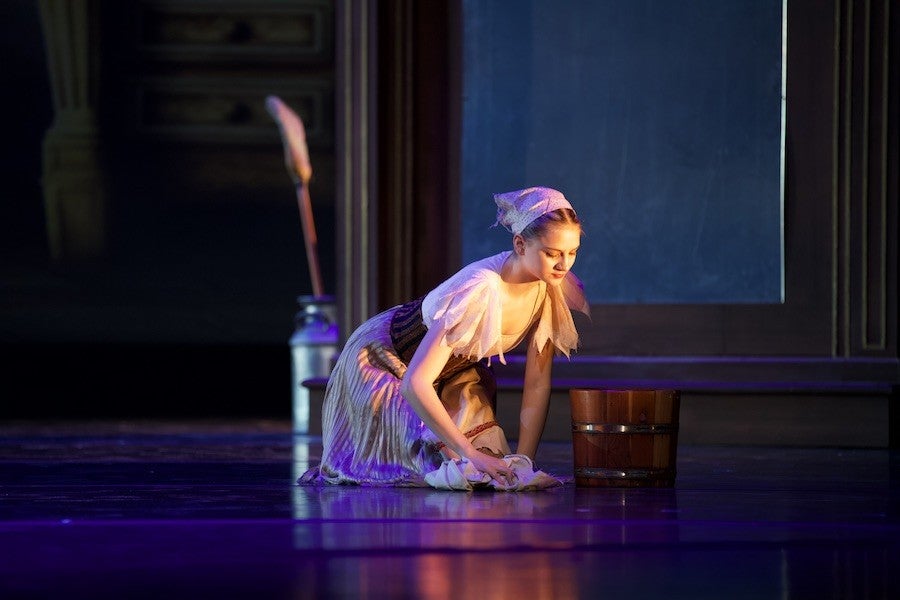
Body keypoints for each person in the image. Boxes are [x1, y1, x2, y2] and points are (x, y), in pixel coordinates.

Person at [300, 186, 589, 488]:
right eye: (552, 254)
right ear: (520, 244)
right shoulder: (481, 289)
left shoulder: (550, 286)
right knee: (442, 466)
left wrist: (524, 460)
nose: (563, 265)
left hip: (452, 373)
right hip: (387, 359)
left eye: (572, 253)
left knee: (493, 468)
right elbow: (415, 382)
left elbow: (538, 382)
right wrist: (468, 453)